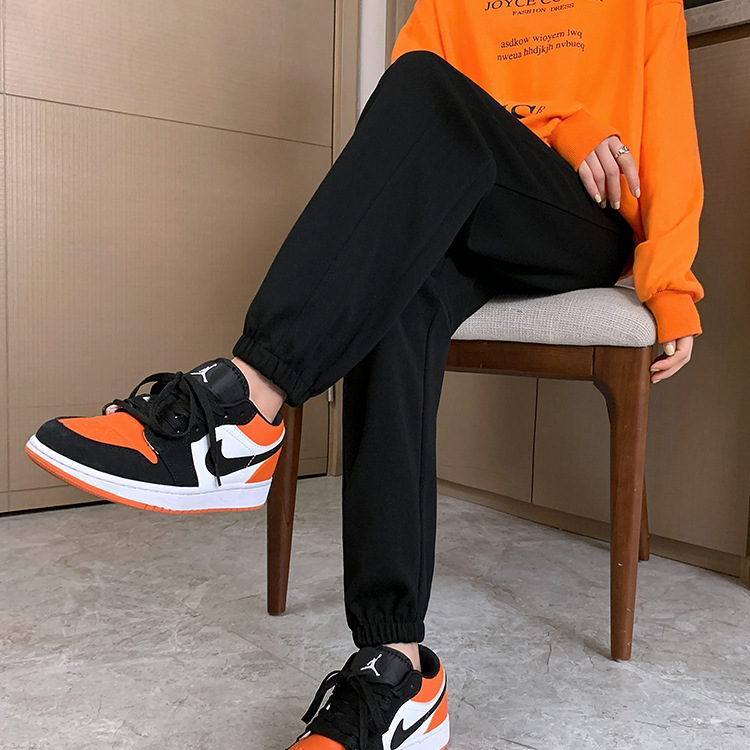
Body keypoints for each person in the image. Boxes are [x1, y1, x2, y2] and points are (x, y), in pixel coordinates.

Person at [25, 1, 703, 748]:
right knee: (397, 289)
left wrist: (670, 285)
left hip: (576, 218)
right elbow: (415, 123)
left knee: (424, 90)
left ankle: (246, 401)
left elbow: (669, 135)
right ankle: (397, 668)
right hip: (465, 202)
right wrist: (540, 121)